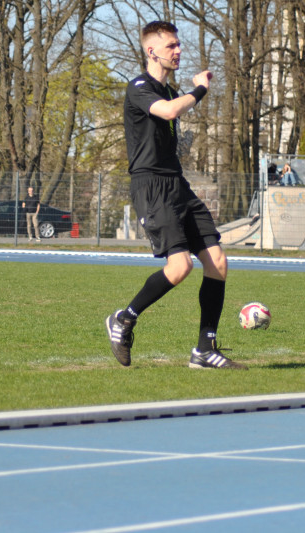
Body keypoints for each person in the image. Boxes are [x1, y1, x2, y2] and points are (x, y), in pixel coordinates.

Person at [104, 20, 244, 370]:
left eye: (178, 45)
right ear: (151, 51)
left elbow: (170, 114)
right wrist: (199, 91)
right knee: (179, 266)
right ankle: (124, 318)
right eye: (171, 46)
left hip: (176, 183)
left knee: (217, 263)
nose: (178, 50)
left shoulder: (168, 91)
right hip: (151, 186)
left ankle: (204, 350)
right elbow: (168, 112)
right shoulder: (139, 86)